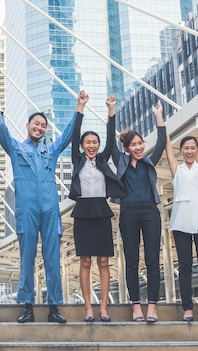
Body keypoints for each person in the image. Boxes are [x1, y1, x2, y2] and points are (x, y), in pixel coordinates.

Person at [0, 84, 88, 323]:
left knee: (53, 258)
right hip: (27, 210)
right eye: (36, 124)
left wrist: (79, 108)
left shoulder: (50, 151)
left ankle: (54, 307)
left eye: (43, 126)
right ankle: (28, 307)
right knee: (27, 257)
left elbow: (67, 135)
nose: (40, 127)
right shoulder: (16, 148)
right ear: (28, 125)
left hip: (50, 210)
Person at [69, 95, 126, 322]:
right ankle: (88, 308)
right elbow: (74, 134)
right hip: (82, 212)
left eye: (95, 142)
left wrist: (111, 110)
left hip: (102, 211)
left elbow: (111, 139)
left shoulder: (103, 160)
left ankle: (103, 308)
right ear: (82, 146)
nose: (91, 146)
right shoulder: (77, 159)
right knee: (85, 261)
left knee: (103, 261)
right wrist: (80, 107)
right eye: (87, 143)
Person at [109, 102, 166, 322]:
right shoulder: (120, 162)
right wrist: (111, 112)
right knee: (131, 260)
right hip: (128, 213)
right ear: (126, 147)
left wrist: (158, 115)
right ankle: (136, 306)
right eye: (134, 144)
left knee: (152, 259)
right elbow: (110, 142)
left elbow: (161, 140)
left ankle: (152, 305)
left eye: (141, 143)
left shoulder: (149, 162)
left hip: (151, 212)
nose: (139, 147)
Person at [163, 105, 198, 322]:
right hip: (181, 221)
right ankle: (187, 308)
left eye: (192, 148)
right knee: (184, 266)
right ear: (181, 150)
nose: (189, 151)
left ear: (197, 150)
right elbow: (166, 144)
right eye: (185, 148)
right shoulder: (176, 169)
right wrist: (160, 117)